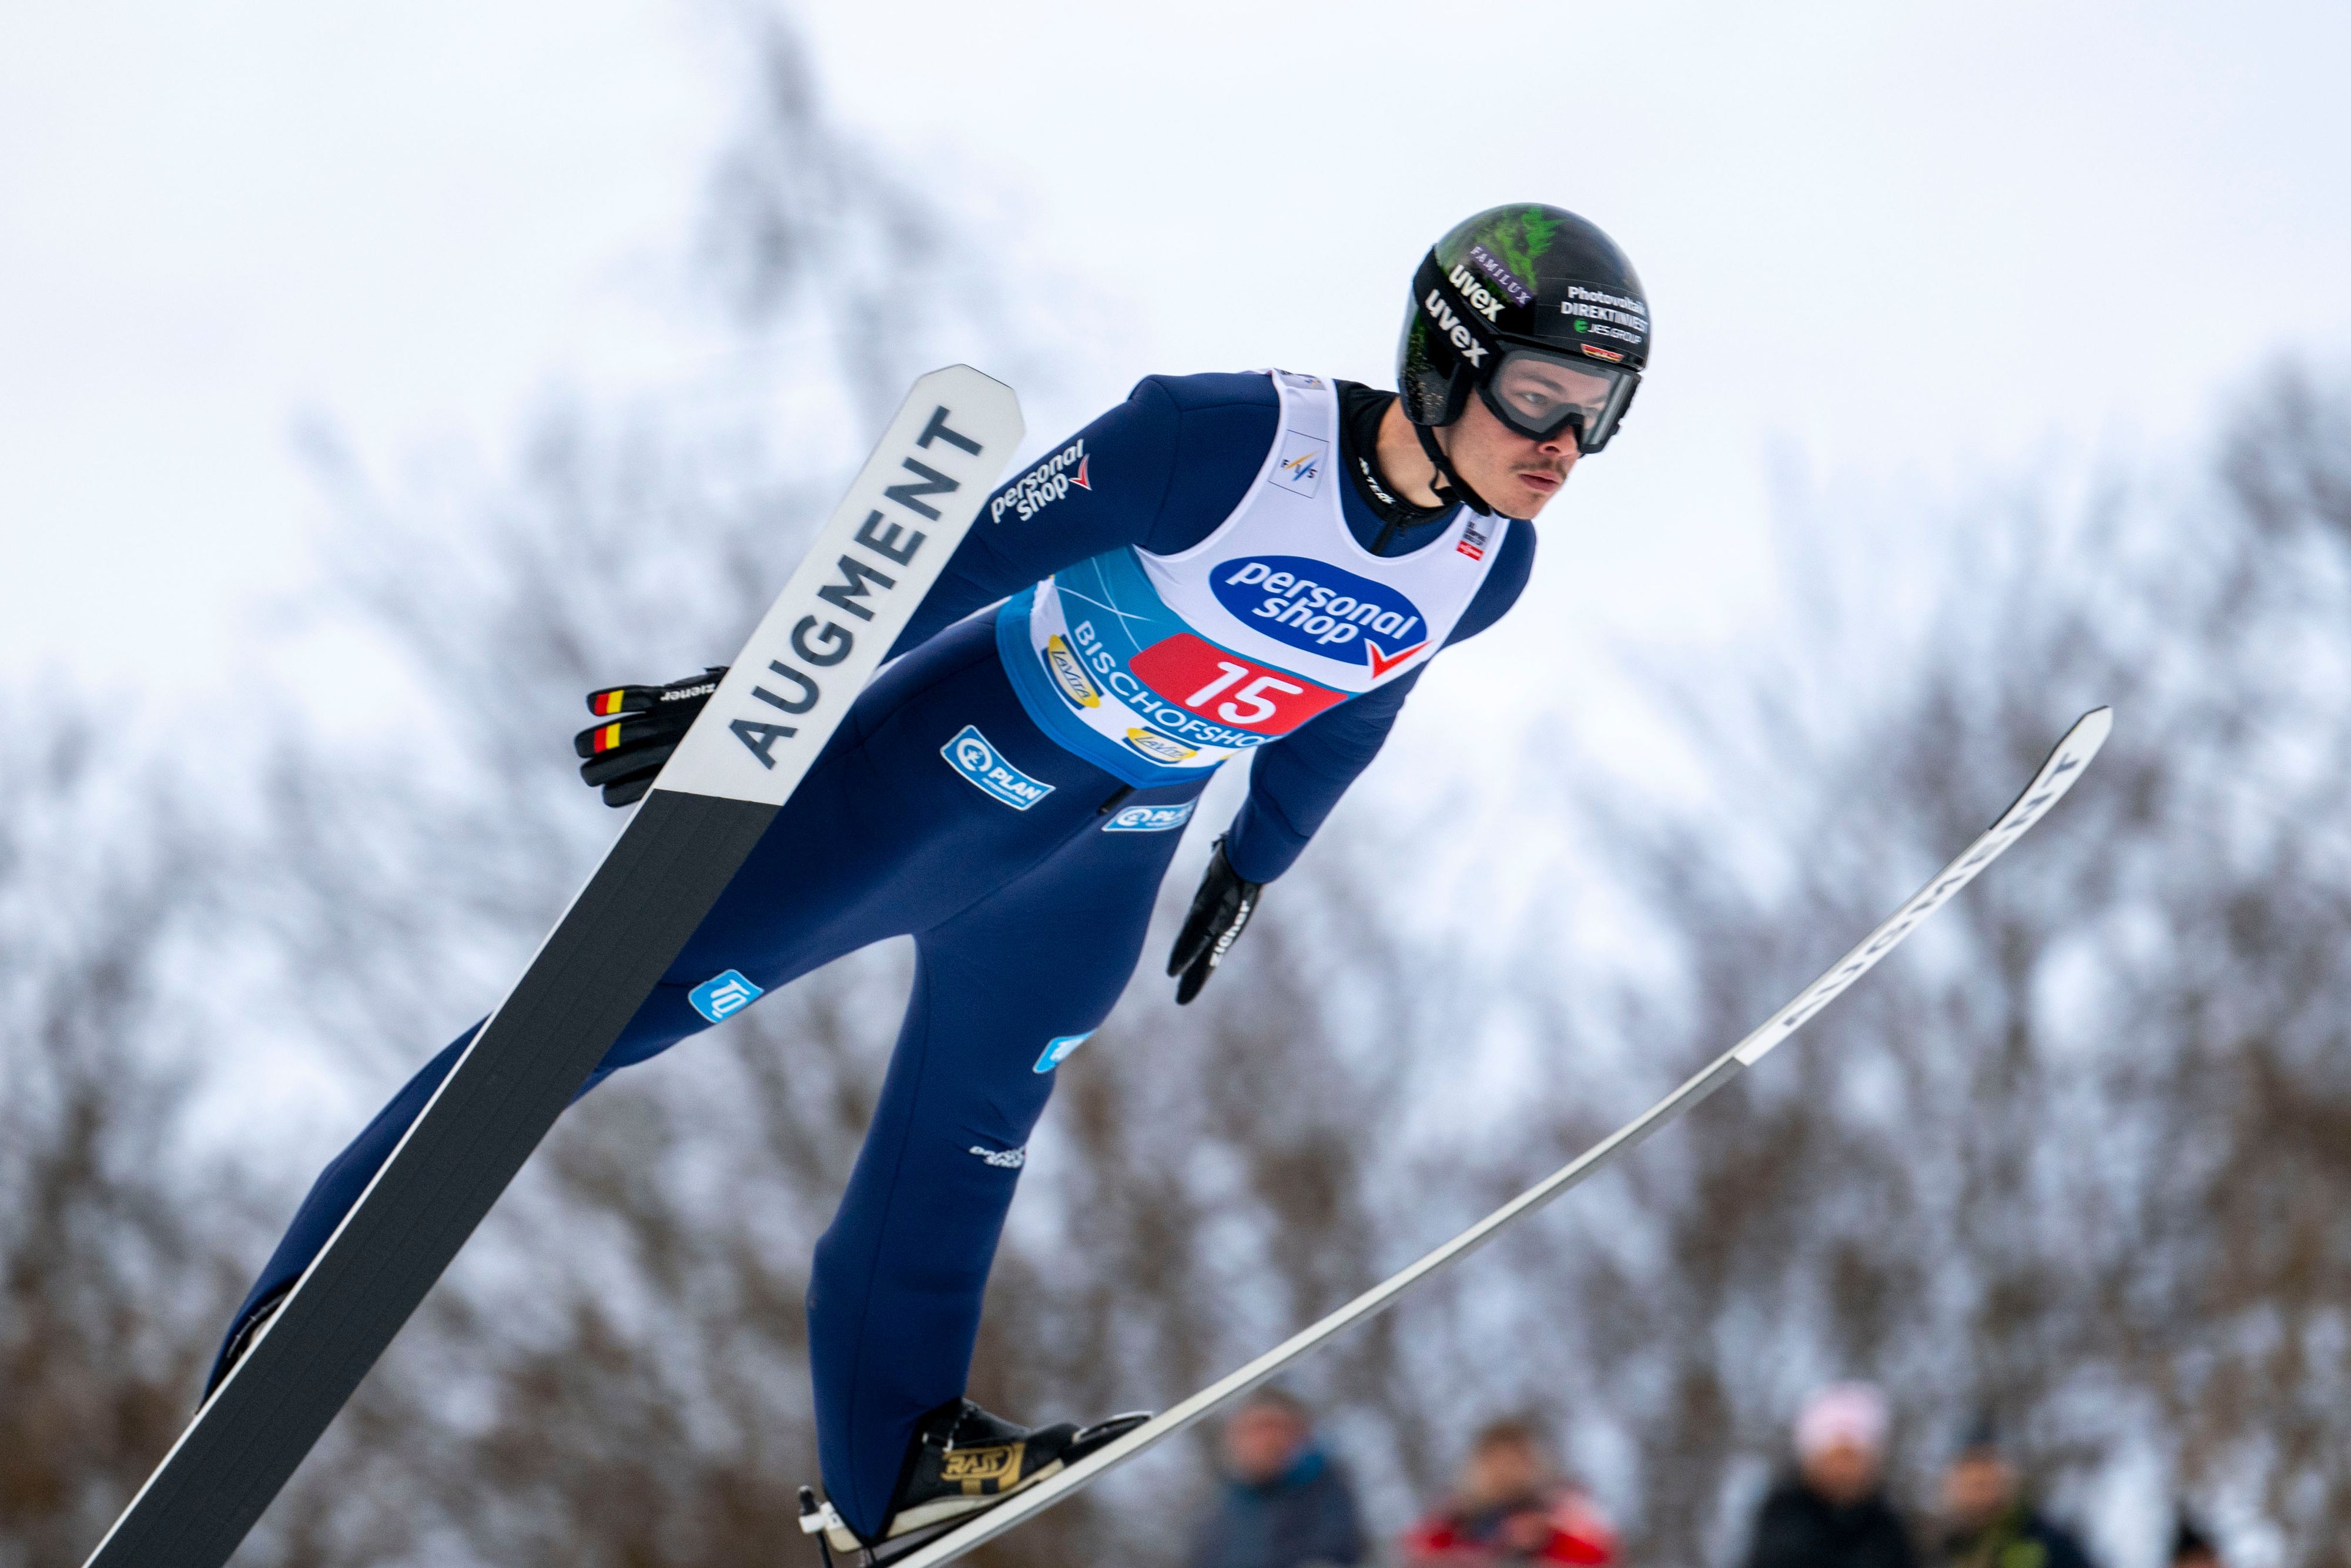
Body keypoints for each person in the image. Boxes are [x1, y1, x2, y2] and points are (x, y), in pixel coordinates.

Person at [204, 203, 1654, 1553]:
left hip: (1108, 851)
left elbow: (1360, 700)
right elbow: (953, 556)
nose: (1561, 447)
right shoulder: (1221, 441)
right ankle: (307, 1289)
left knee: (970, 1137)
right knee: (603, 1014)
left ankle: (889, 1466)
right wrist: (756, 699)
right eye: (1541, 396)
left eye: (1598, 418)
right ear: (1445, 358)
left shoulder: (1488, 564)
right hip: (944, 774)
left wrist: (1256, 857)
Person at [1742, 1382, 1917, 1568]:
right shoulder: (1781, 1525)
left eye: (1854, 1457)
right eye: (1836, 1456)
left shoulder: (1890, 1532)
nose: (1844, 1470)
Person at [1401, 1418, 1616, 1566]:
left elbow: (1601, 1554)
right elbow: (1415, 1555)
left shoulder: (1563, 1511)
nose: (1505, 1472)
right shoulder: (1451, 1521)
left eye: (1514, 1461)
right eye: (1496, 1462)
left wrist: (1547, 1539)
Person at [1189, 1389, 1365, 1568]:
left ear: (1299, 1435)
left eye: (1276, 1428)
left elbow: (1339, 1549)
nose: (1267, 1440)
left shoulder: (1325, 1488)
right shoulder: (1221, 1508)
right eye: (1256, 1430)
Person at [1932, 1420, 2097, 1568]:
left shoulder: (2047, 1544)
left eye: (1988, 1468)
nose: (1979, 1480)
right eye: (1970, 1473)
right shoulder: (1941, 1550)